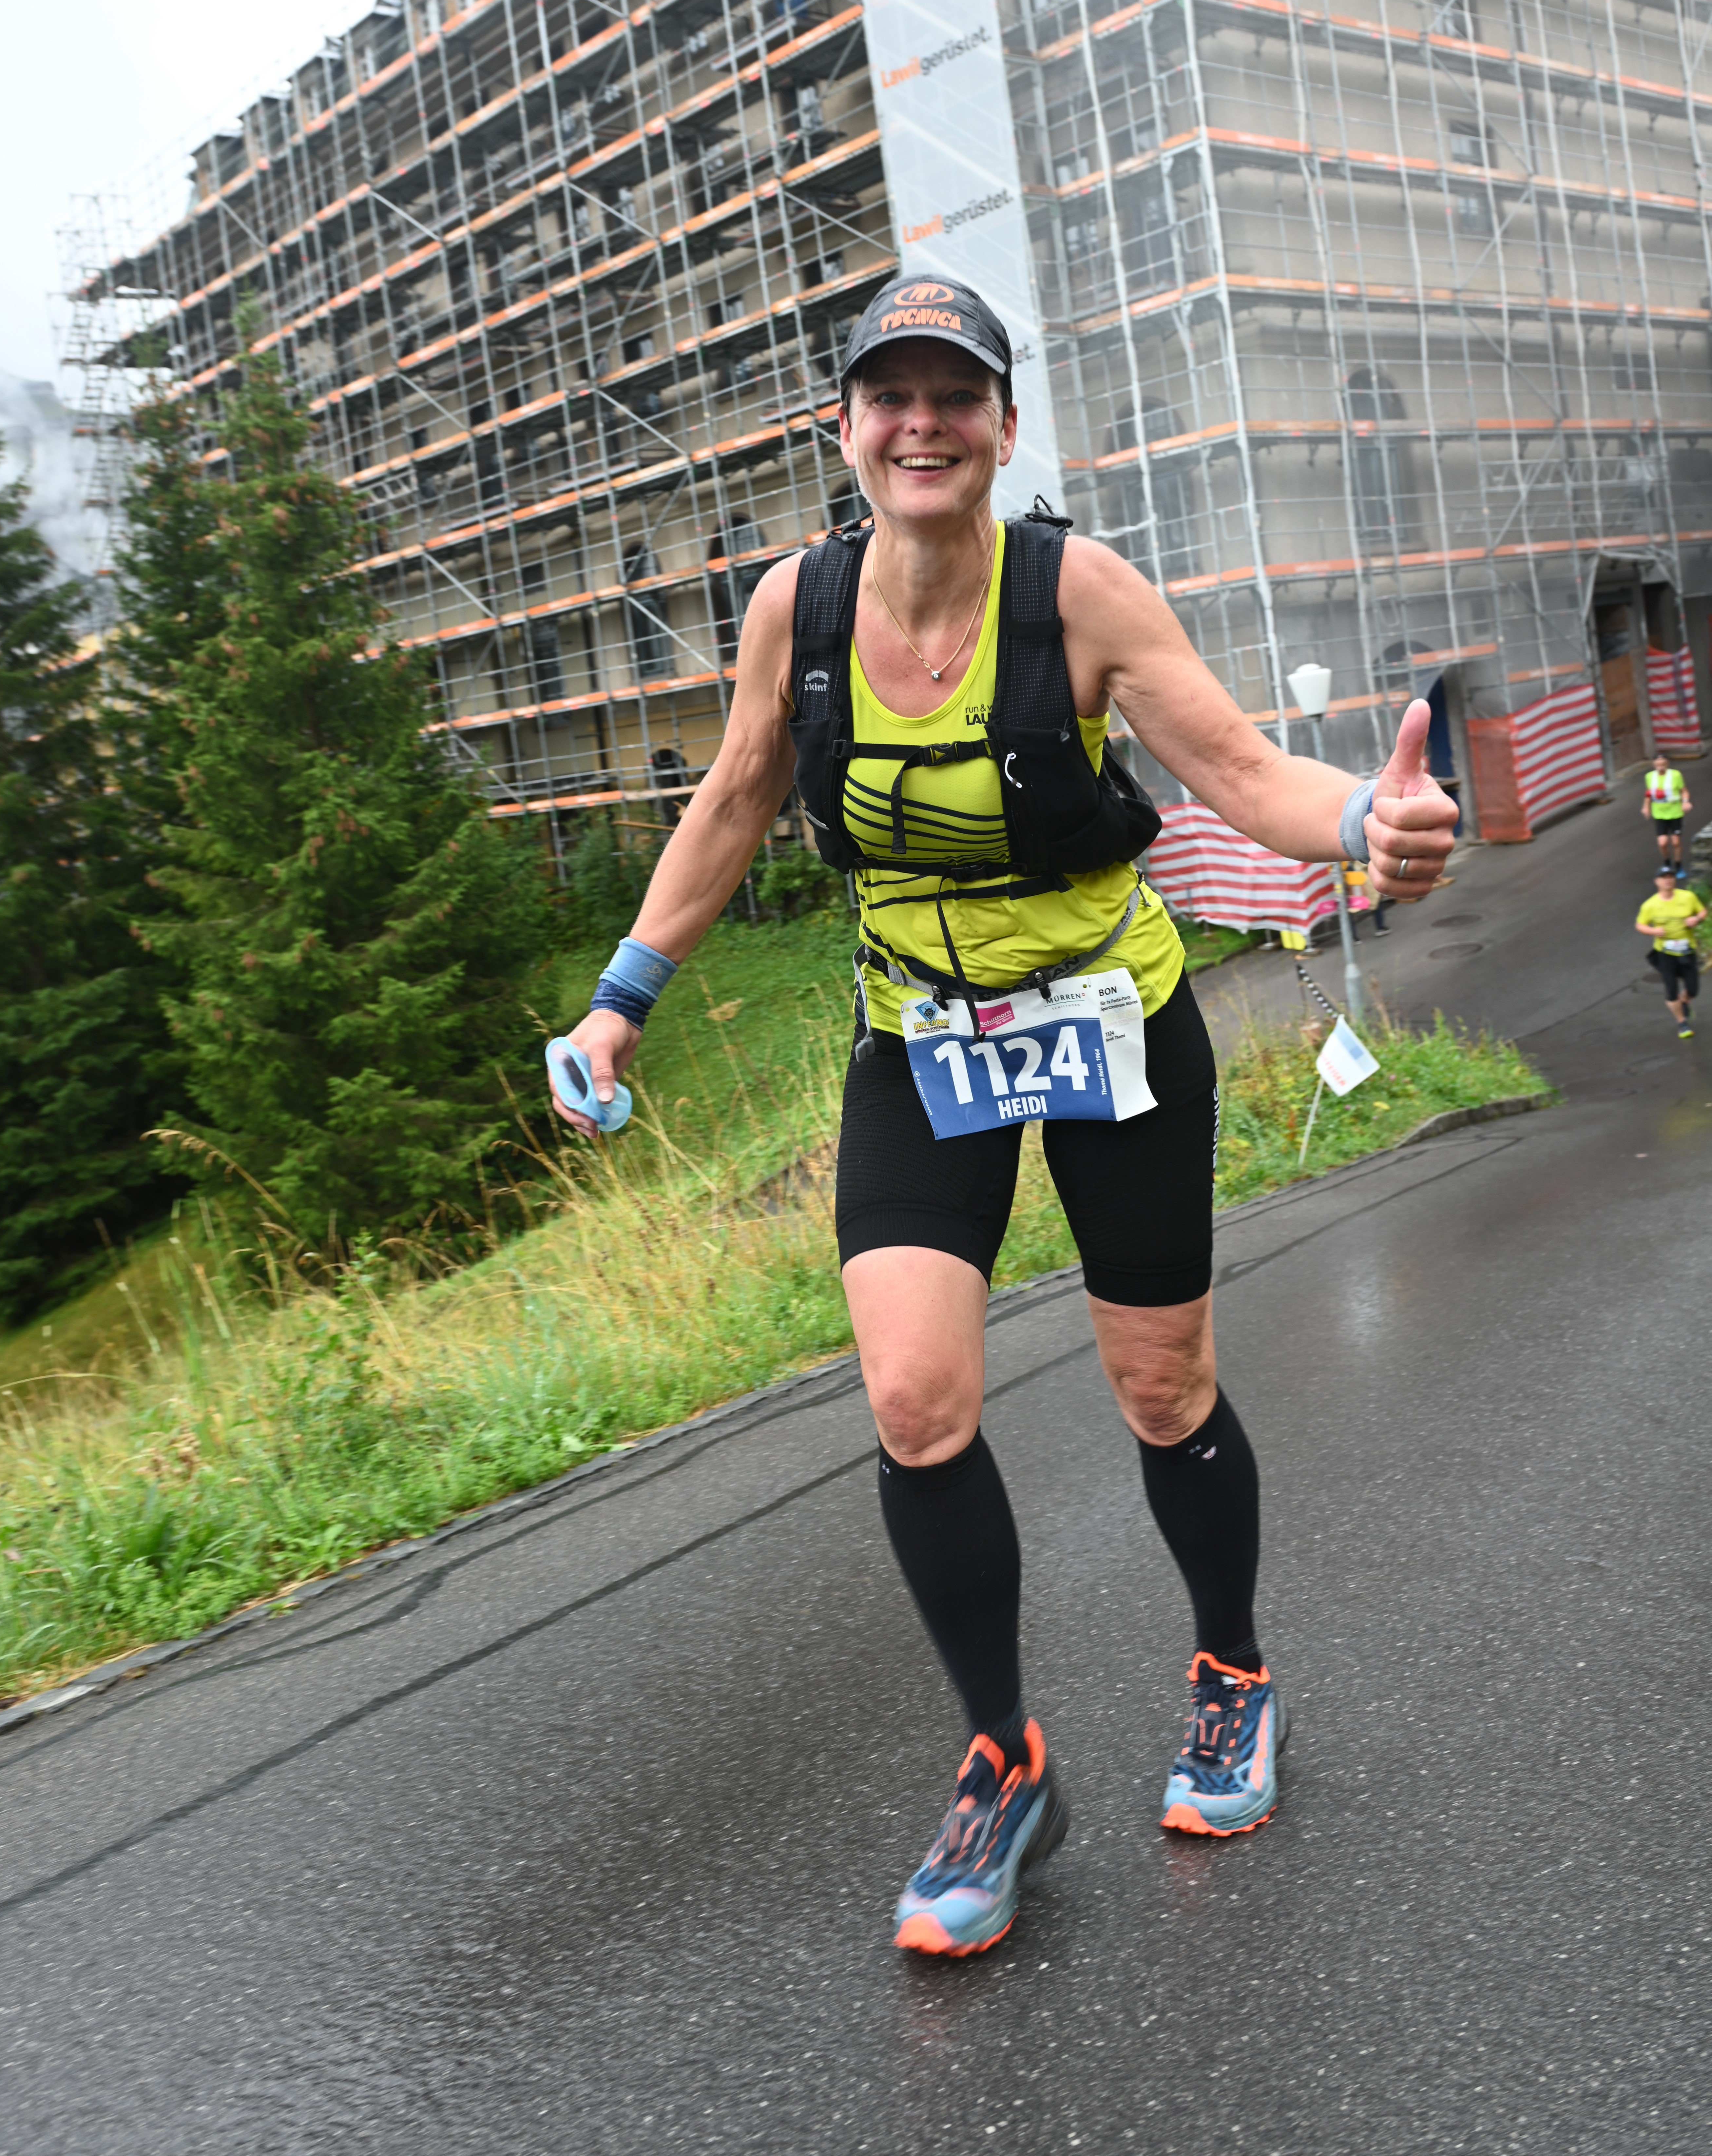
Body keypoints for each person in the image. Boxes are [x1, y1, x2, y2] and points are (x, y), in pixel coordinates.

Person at [552, 274, 1457, 1957]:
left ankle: (1231, 1669)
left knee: (1161, 1378)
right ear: (845, 428)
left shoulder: (1080, 593)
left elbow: (1240, 772)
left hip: (1111, 1025)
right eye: (887, 396)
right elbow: (738, 795)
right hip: (923, 1038)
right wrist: (624, 997)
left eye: (952, 394)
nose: (920, 423)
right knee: (910, 1394)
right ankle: (1003, 1754)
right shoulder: (796, 610)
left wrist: (1366, 818)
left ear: (1000, 425)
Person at [1635, 865, 1706, 1038]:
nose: (1668, 880)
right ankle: (1682, 1023)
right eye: (1664, 877)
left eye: (1671, 877)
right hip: (1665, 953)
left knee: (1694, 989)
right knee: (1671, 989)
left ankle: (1685, 1001)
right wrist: (1653, 932)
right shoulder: (1650, 905)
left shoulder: (1688, 897)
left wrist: (1696, 919)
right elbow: (1640, 925)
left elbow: (1703, 911)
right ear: (1657, 882)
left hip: (1687, 951)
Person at [1641, 758, 1691, 876]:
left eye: (1663, 764)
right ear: (1654, 765)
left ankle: (1679, 866)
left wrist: (1685, 802)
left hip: (1675, 813)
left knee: (1676, 842)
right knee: (1663, 843)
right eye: (1658, 765)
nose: (1661, 767)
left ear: (1667, 764)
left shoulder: (1675, 775)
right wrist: (1646, 807)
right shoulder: (1650, 777)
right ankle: (1667, 863)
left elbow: (1684, 791)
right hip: (1659, 814)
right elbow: (1649, 794)